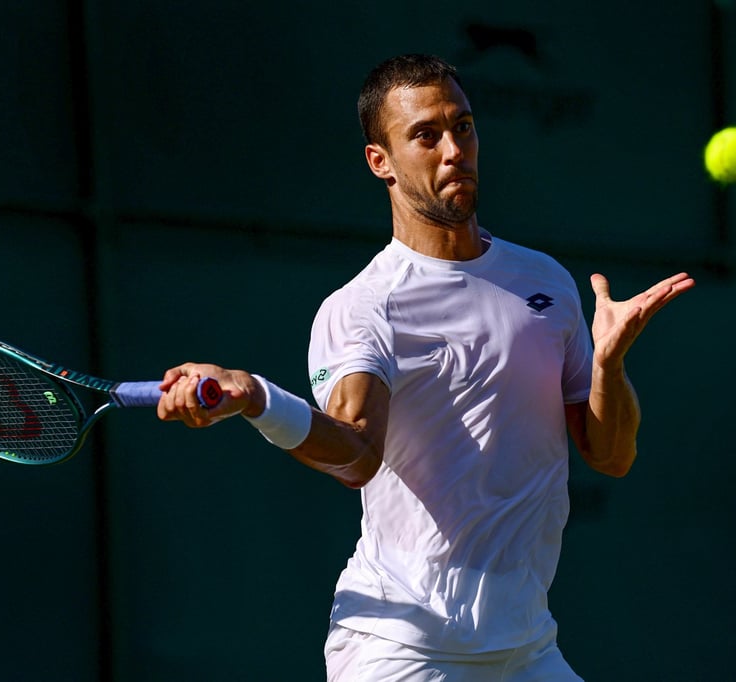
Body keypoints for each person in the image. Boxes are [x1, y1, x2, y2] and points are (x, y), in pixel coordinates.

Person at [156, 54, 694, 682]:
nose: (453, 150)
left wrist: (609, 364)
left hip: (525, 648)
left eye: (463, 127)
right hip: (401, 649)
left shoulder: (545, 281)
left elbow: (612, 455)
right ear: (379, 161)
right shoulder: (365, 308)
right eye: (425, 135)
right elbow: (356, 454)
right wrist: (256, 399)